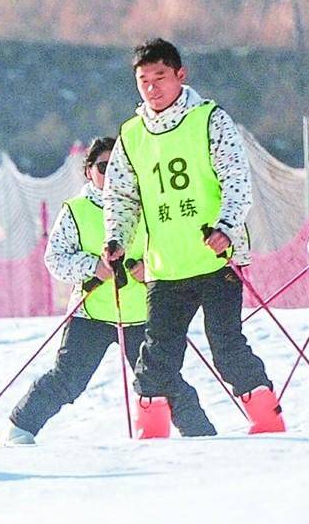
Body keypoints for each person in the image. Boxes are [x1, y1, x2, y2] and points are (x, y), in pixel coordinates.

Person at [102, 37, 284, 437]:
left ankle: (268, 421)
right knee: (157, 357)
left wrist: (226, 226)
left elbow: (236, 178)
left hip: (216, 259)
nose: (152, 88)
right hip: (166, 266)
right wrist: (116, 237)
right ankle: (151, 436)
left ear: (180, 76)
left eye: (160, 77)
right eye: (143, 80)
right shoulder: (132, 135)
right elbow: (121, 196)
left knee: (227, 348)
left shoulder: (208, 118)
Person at [1, 133, 212, 443]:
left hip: (143, 313)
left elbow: (174, 249)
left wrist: (150, 269)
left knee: (162, 379)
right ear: (89, 172)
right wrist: (93, 268)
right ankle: (19, 431)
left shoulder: (150, 206)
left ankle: (203, 437)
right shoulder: (76, 210)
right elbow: (55, 259)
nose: (111, 174)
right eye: (103, 166)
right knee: (68, 378)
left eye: (119, 166)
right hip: (92, 313)